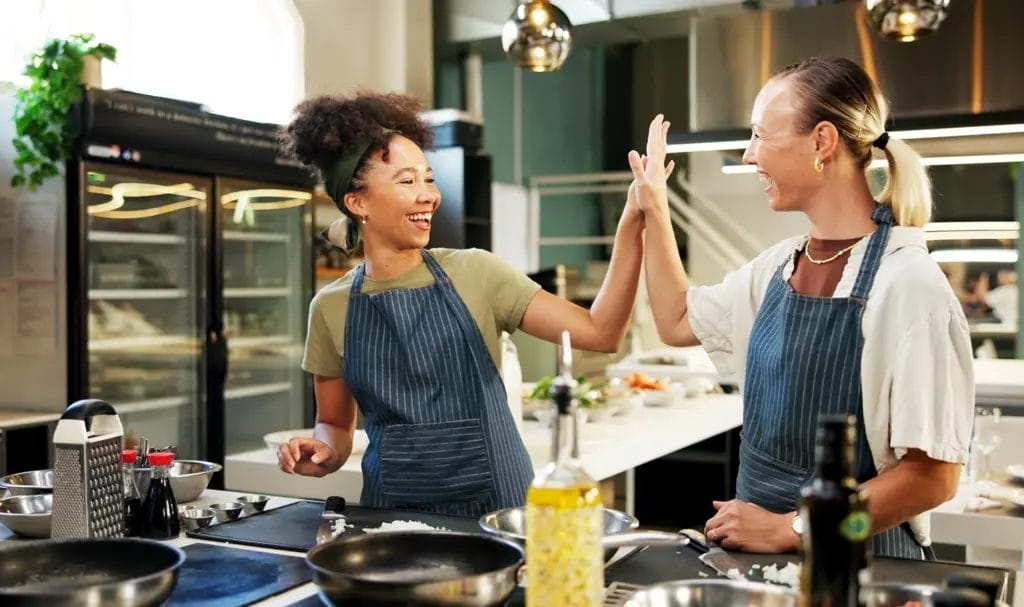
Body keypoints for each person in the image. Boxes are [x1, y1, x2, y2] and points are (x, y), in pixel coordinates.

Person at [630, 57, 973, 558]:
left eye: (760, 136)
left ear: (822, 142)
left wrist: (794, 528)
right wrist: (655, 206)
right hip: (762, 563)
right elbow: (677, 319)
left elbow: (932, 478)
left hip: (859, 563)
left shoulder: (909, 284)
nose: (749, 156)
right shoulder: (776, 267)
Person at [275, 91, 672, 517]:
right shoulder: (331, 308)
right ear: (358, 202)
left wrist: (634, 219)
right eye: (407, 181)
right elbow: (335, 425)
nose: (429, 194)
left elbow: (601, 331)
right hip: (393, 523)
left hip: (498, 515)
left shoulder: (475, 273)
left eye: (429, 178)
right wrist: (322, 453)